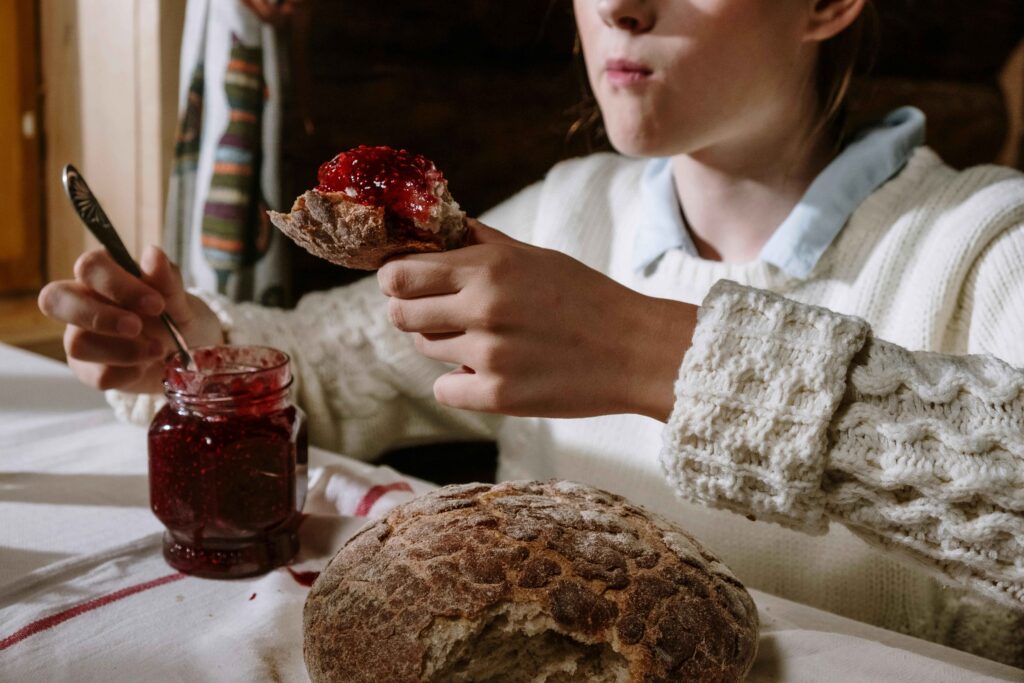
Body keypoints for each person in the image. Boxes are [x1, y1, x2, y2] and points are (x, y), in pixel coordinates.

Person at [38, 0, 1024, 666]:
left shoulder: (986, 242)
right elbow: (334, 367)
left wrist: (658, 355)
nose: (619, 6)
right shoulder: (569, 209)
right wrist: (196, 343)